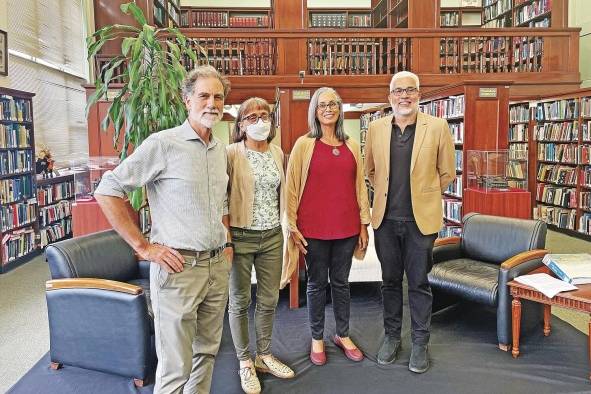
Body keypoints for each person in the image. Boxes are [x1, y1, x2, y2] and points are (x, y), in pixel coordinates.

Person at [94, 65, 233, 394]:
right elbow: (107, 189)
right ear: (187, 100)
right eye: (203, 95)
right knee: (175, 366)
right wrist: (143, 247)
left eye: (218, 96)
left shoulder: (219, 150)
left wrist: (226, 244)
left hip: (216, 267)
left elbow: (220, 203)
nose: (211, 103)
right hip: (179, 269)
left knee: (207, 353)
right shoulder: (163, 144)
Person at [364, 71, 455, 373]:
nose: (404, 96)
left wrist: (424, 195)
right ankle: (392, 337)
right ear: (390, 97)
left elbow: (447, 173)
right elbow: (370, 170)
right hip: (386, 221)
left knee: (418, 283)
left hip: (421, 222)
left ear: (419, 93)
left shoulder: (438, 126)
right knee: (389, 282)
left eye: (410, 90)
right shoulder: (376, 128)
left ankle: (419, 342)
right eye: (398, 91)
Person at [280, 87, 371, 366]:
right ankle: (317, 338)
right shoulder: (303, 145)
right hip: (312, 229)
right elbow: (291, 187)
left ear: (340, 108)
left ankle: (342, 335)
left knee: (342, 283)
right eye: (322, 105)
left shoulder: (352, 145)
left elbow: (360, 188)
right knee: (317, 284)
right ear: (315, 111)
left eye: (333, 104)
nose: (328, 108)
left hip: (347, 227)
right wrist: (292, 225)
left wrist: (364, 224)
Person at [226, 97, 295, 394]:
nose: (259, 121)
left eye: (264, 115)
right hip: (240, 236)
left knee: (268, 299)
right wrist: (226, 238)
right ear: (241, 125)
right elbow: (221, 198)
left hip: (271, 236)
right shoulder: (230, 153)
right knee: (240, 301)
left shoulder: (278, 152)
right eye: (251, 117)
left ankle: (264, 355)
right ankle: (244, 361)